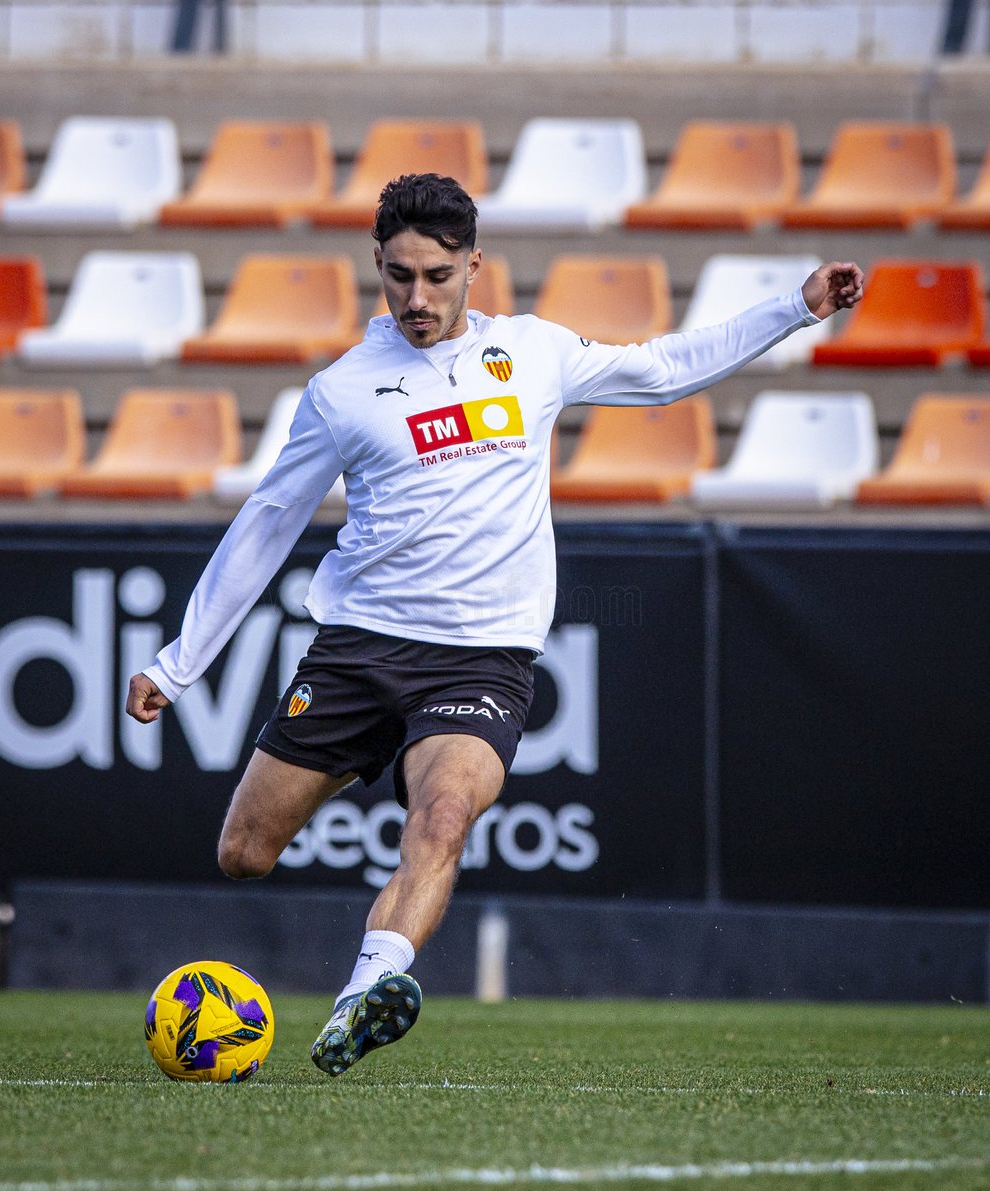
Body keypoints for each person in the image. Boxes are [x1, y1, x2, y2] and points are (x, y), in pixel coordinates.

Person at [126, 172, 864, 1076]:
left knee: (442, 817)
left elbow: (666, 370)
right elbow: (267, 523)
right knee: (244, 852)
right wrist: (178, 663)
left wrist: (794, 307)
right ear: (377, 266)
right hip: (359, 648)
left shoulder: (533, 353)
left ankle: (368, 990)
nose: (416, 298)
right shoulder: (342, 391)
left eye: (437, 275)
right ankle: (365, 954)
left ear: (475, 265)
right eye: (398, 276)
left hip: (481, 660)